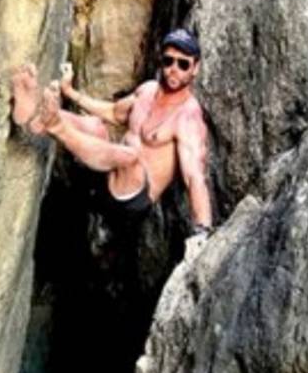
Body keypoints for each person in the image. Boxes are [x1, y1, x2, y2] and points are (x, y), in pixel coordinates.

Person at [11, 29, 214, 240]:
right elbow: (113, 113)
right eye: (168, 61)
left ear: (195, 68)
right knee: (95, 126)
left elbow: (194, 178)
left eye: (183, 64)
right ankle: (32, 114)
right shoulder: (148, 90)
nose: (173, 69)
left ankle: (55, 125)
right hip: (107, 177)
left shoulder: (188, 117)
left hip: (131, 201)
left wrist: (202, 231)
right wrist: (71, 93)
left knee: (129, 156)